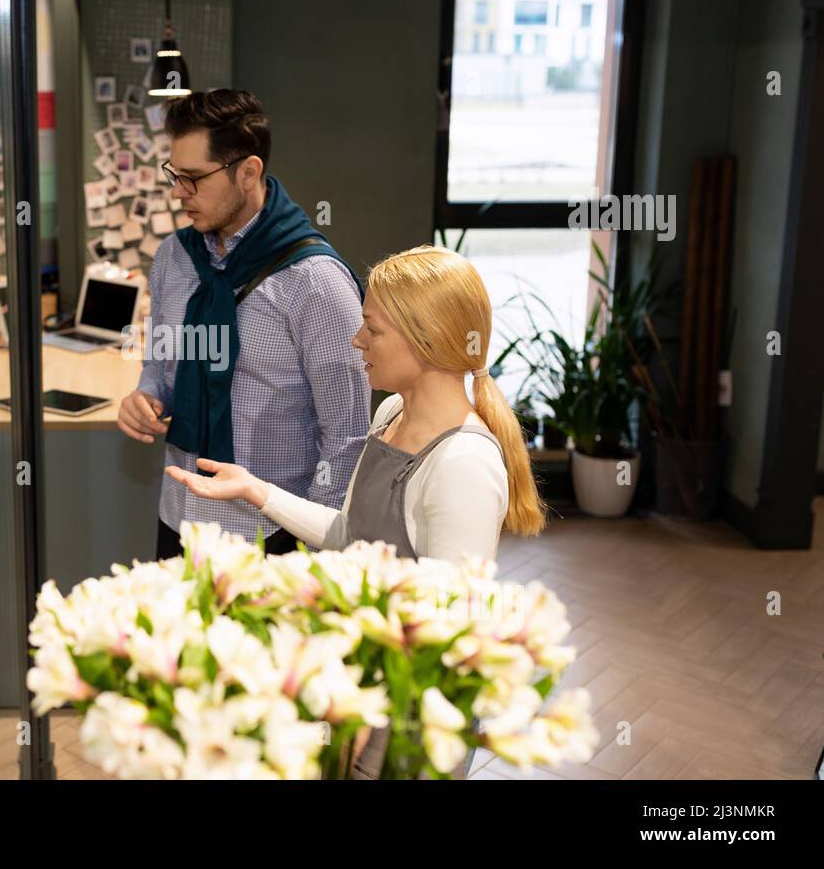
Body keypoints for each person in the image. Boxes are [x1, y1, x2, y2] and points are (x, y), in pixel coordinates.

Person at [165, 244, 546, 777]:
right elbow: (350, 533)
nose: (356, 340)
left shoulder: (462, 463)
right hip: (362, 691)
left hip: (409, 719)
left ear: (427, 338)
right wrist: (255, 490)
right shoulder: (392, 412)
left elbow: (451, 628)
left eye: (374, 328)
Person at [117, 89, 370, 561]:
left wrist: (323, 548)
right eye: (175, 176)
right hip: (178, 517)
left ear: (248, 172)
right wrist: (145, 397)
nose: (178, 193)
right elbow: (161, 365)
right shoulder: (174, 258)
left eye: (193, 179)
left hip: (272, 534)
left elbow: (348, 435)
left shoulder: (316, 283)